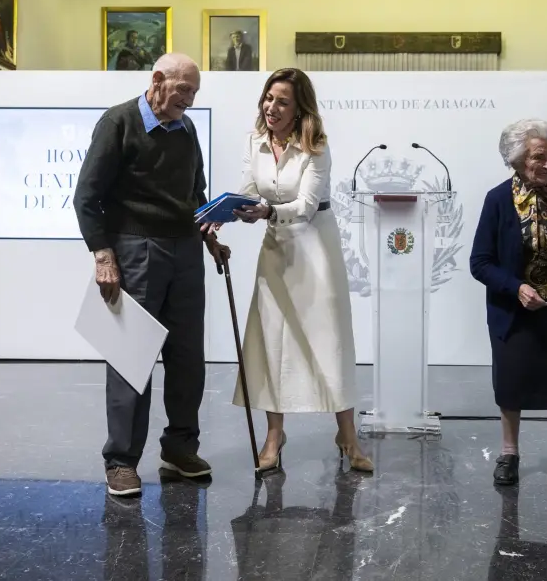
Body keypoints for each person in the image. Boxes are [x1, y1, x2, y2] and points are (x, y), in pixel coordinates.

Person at [73, 52, 231, 497]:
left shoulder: (187, 128)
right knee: (131, 356)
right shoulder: (118, 122)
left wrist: (209, 235)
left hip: (184, 252)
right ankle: (121, 461)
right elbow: (87, 197)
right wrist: (103, 255)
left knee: (187, 358)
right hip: (134, 249)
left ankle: (180, 449)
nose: (189, 101)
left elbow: (195, 191)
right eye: (184, 91)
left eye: (195, 94)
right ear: (158, 80)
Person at [224, 67, 372, 474]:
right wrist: (219, 213)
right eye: (269, 98)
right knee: (273, 343)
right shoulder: (255, 142)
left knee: (329, 341)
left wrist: (268, 211)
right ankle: (275, 436)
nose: (272, 107)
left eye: (282, 101)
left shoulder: (316, 147)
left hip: (315, 251)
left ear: (299, 108)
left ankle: (348, 436)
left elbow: (305, 207)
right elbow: (249, 189)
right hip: (276, 252)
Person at [469, 119, 547, 491]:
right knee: (511, 382)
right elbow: (480, 262)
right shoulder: (497, 200)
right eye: (539, 157)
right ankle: (509, 454)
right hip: (514, 309)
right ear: (517, 159)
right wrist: (516, 287)